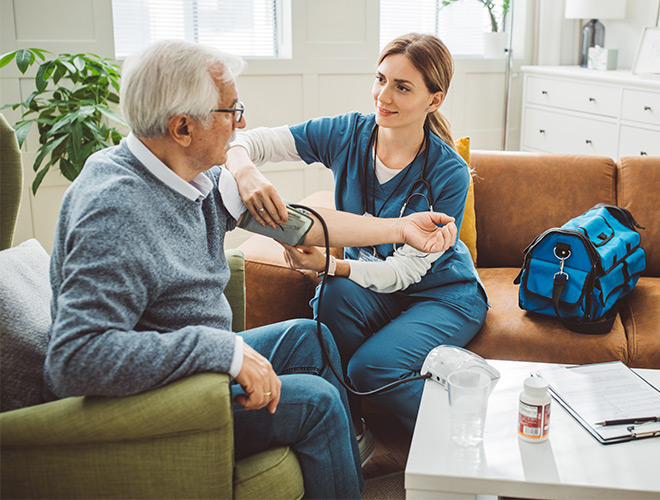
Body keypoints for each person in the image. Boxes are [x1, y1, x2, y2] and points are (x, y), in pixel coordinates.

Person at [44, 39, 457, 500]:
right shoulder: (115, 210)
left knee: (312, 337)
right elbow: (74, 360)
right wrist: (223, 351)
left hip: (202, 366)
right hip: (163, 396)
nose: (241, 123)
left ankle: (343, 471)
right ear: (183, 127)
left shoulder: (193, 176)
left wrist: (401, 229)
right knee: (317, 404)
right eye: (231, 110)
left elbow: (298, 225)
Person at [226, 33, 489, 437]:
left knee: (371, 368)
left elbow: (405, 272)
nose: (384, 95)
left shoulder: (447, 172)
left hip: (442, 293)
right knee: (332, 293)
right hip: (377, 290)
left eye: (402, 87)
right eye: (380, 79)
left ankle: (466, 437)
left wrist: (331, 263)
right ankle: (346, 429)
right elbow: (248, 140)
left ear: (433, 100)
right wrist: (244, 170)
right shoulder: (348, 134)